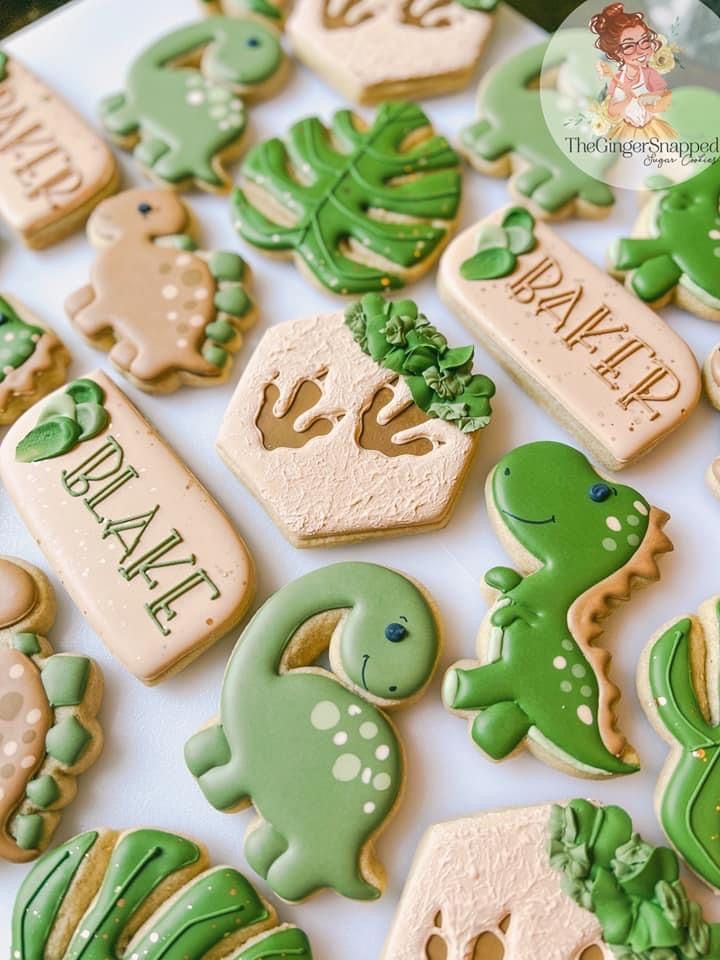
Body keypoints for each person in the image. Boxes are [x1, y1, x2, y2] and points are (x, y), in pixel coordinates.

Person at [589, 2, 676, 140]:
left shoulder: (648, 74)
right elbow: (611, 110)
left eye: (644, 41)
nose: (641, 50)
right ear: (618, 53)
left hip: (652, 129)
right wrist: (626, 100)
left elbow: (666, 96)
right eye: (629, 46)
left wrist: (653, 98)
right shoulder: (616, 80)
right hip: (626, 131)